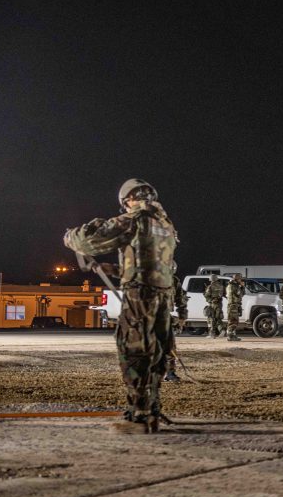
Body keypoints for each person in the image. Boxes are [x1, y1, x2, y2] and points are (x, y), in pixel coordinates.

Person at [63, 178, 177, 434]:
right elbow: (154, 263)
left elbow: (88, 240)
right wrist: (115, 270)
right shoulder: (165, 225)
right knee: (156, 351)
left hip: (139, 297)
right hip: (162, 296)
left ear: (129, 200)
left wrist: (70, 237)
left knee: (134, 349)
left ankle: (138, 416)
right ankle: (152, 409)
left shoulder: (134, 220)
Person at [164, 273, 188, 382]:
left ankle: (170, 373)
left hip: (165, 317)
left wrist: (182, 317)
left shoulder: (174, 280)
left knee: (170, 346)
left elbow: (181, 299)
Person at [225, 273, 245, 341]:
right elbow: (239, 295)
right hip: (233, 305)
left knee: (234, 321)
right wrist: (242, 287)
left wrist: (241, 287)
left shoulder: (232, 285)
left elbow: (240, 295)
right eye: (240, 279)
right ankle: (230, 336)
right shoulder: (233, 286)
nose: (241, 280)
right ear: (237, 279)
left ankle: (232, 335)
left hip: (233, 305)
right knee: (233, 321)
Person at [203, 273, 224, 338]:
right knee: (218, 317)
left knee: (211, 318)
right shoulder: (221, 286)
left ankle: (212, 334)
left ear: (211, 280)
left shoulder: (210, 286)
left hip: (213, 304)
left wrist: (205, 294)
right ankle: (222, 330)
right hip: (219, 303)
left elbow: (207, 295)